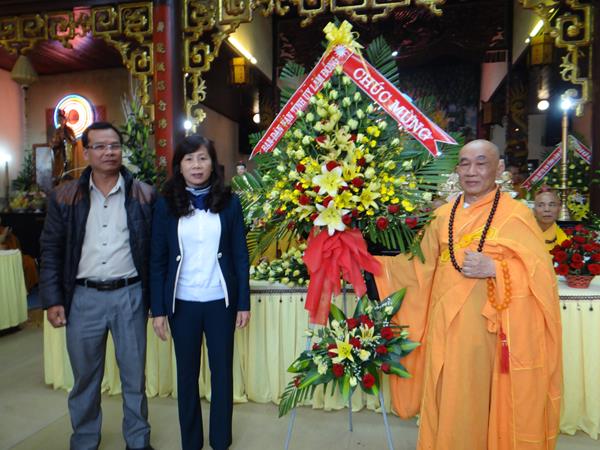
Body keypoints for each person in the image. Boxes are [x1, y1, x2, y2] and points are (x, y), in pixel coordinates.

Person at [375, 139, 562, 449]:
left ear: (499, 169)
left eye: (481, 163)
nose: (471, 171)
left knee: (474, 401)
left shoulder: (516, 215)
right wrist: (367, 265)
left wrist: (496, 268)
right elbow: (415, 268)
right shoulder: (442, 215)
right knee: (445, 395)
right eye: (464, 163)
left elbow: (541, 276)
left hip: (485, 332)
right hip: (442, 324)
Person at [39, 121, 156, 450]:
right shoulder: (65, 196)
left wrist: (156, 302)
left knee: (134, 376)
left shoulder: (145, 194)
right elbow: (50, 250)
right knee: (85, 378)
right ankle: (85, 440)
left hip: (130, 295)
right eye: (100, 146)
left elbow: (155, 251)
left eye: (114, 146)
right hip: (83, 298)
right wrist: (53, 300)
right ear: (87, 151)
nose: (109, 152)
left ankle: (138, 440)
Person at [150, 135, 250, 450]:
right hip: (182, 304)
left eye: (203, 158)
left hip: (220, 302)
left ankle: (220, 440)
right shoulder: (166, 205)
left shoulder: (230, 203)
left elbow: (240, 255)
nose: (196, 165)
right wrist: (158, 309)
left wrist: (243, 303)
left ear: (212, 164)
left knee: (222, 375)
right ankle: (191, 442)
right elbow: (157, 260)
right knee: (187, 376)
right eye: (189, 159)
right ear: (179, 165)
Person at [533, 186, 568, 251]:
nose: (547, 209)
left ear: (559, 210)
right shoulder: (523, 235)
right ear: (534, 211)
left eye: (552, 205)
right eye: (541, 205)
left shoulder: (565, 240)